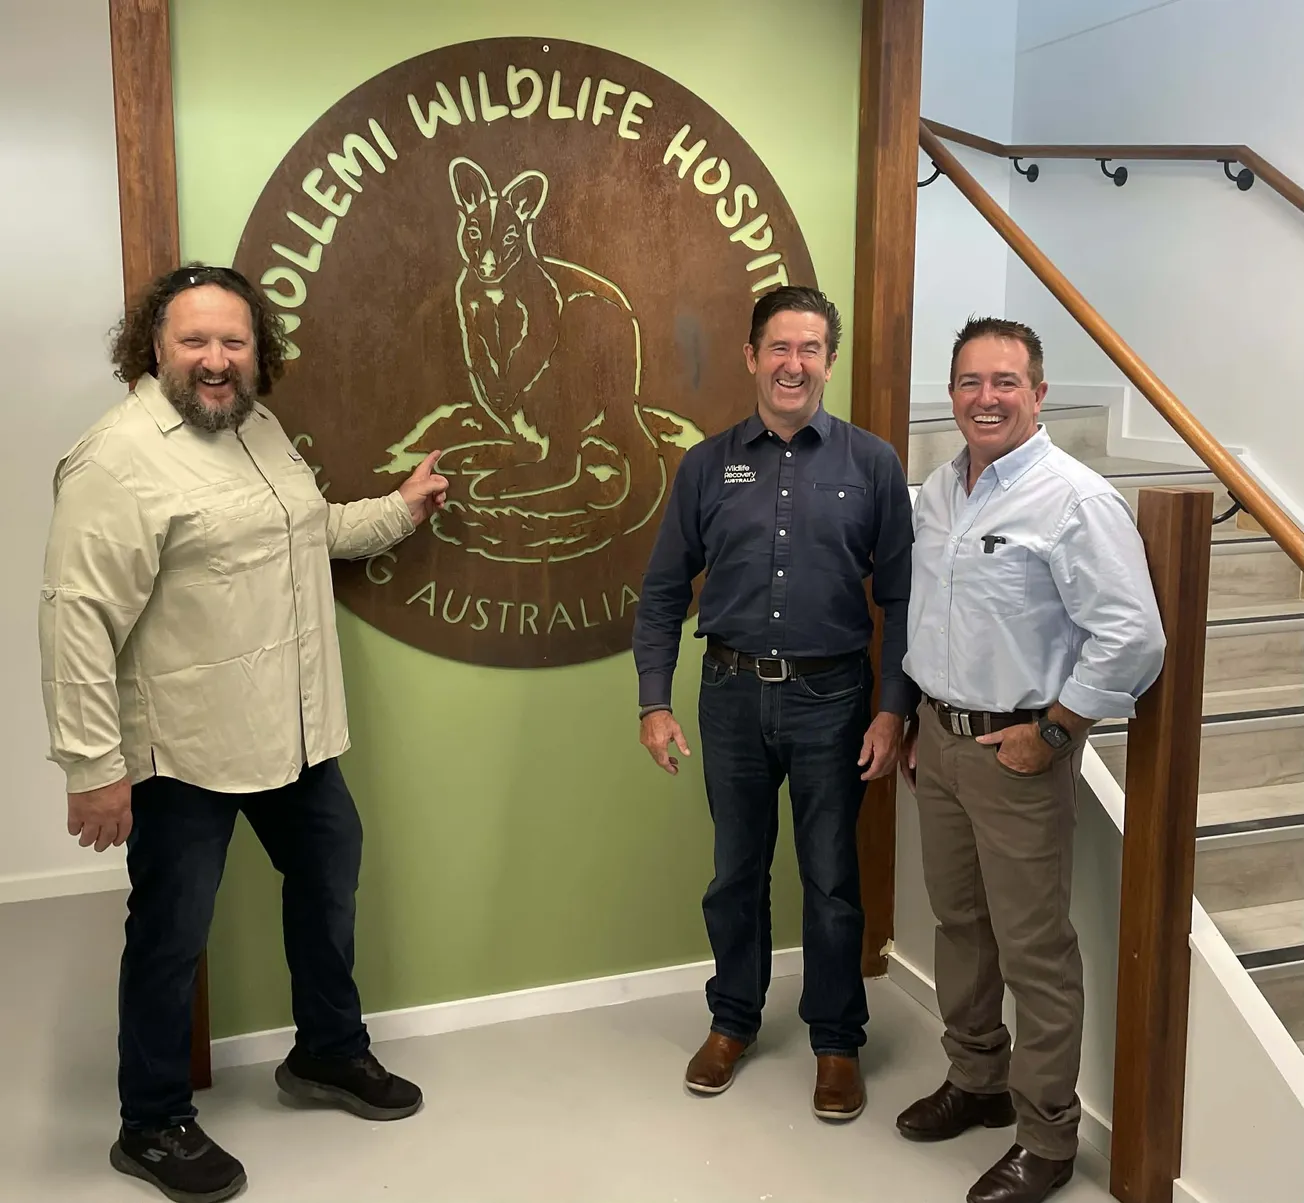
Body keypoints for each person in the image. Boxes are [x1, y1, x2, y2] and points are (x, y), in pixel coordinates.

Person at [38, 264, 450, 1203]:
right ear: (155, 347)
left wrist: (399, 509)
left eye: (234, 341)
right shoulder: (115, 460)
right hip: (184, 749)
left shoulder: (256, 427)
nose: (217, 359)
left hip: (291, 731)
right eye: (195, 341)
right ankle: (151, 1123)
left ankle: (326, 1051)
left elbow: (305, 532)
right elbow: (75, 619)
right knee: (173, 931)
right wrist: (93, 766)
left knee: (329, 871)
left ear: (257, 350)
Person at [896, 317, 1165, 1203]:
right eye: (970, 382)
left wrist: (1052, 730)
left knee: (1034, 949)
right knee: (959, 924)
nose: (986, 398)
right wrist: (917, 716)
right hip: (939, 742)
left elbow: (1132, 637)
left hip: (1017, 753)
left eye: (1005, 381)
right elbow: (931, 614)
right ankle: (976, 1079)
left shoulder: (1075, 500)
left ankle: (1046, 1137)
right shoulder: (941, 490)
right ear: (952, 394)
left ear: (1039, 394)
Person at [632, 286, 914, 1121]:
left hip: (835, 699)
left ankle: (837, 1040)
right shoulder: (706, 466)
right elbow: (662, 593)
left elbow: (902, 599)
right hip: (729, 695)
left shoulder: (873, 464)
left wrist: (893, 709)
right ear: (752, 356)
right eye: (779, 348)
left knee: (831, 878)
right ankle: (733, 1021)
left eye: (811, 348)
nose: (795, 364)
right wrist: (653, 701)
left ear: (830, 360)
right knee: (735, 873)